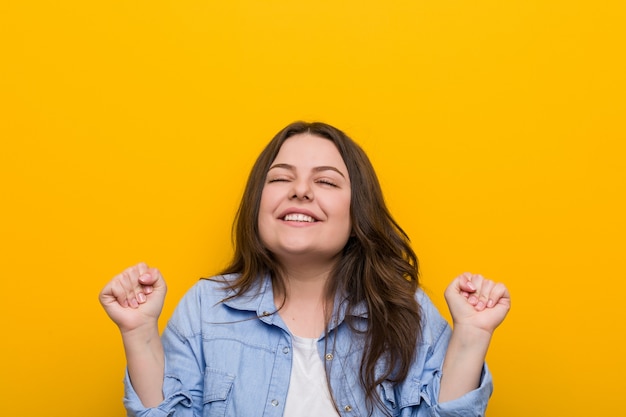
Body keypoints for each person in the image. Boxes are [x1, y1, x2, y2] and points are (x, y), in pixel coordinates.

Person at [99, 121, 511, 417]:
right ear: (258, 204)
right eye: (281, 178)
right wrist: (137, 333)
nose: (301, 190)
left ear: (357, 211)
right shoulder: (205, 309)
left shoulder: (407, 311)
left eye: (327, 182)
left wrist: (472, 336)